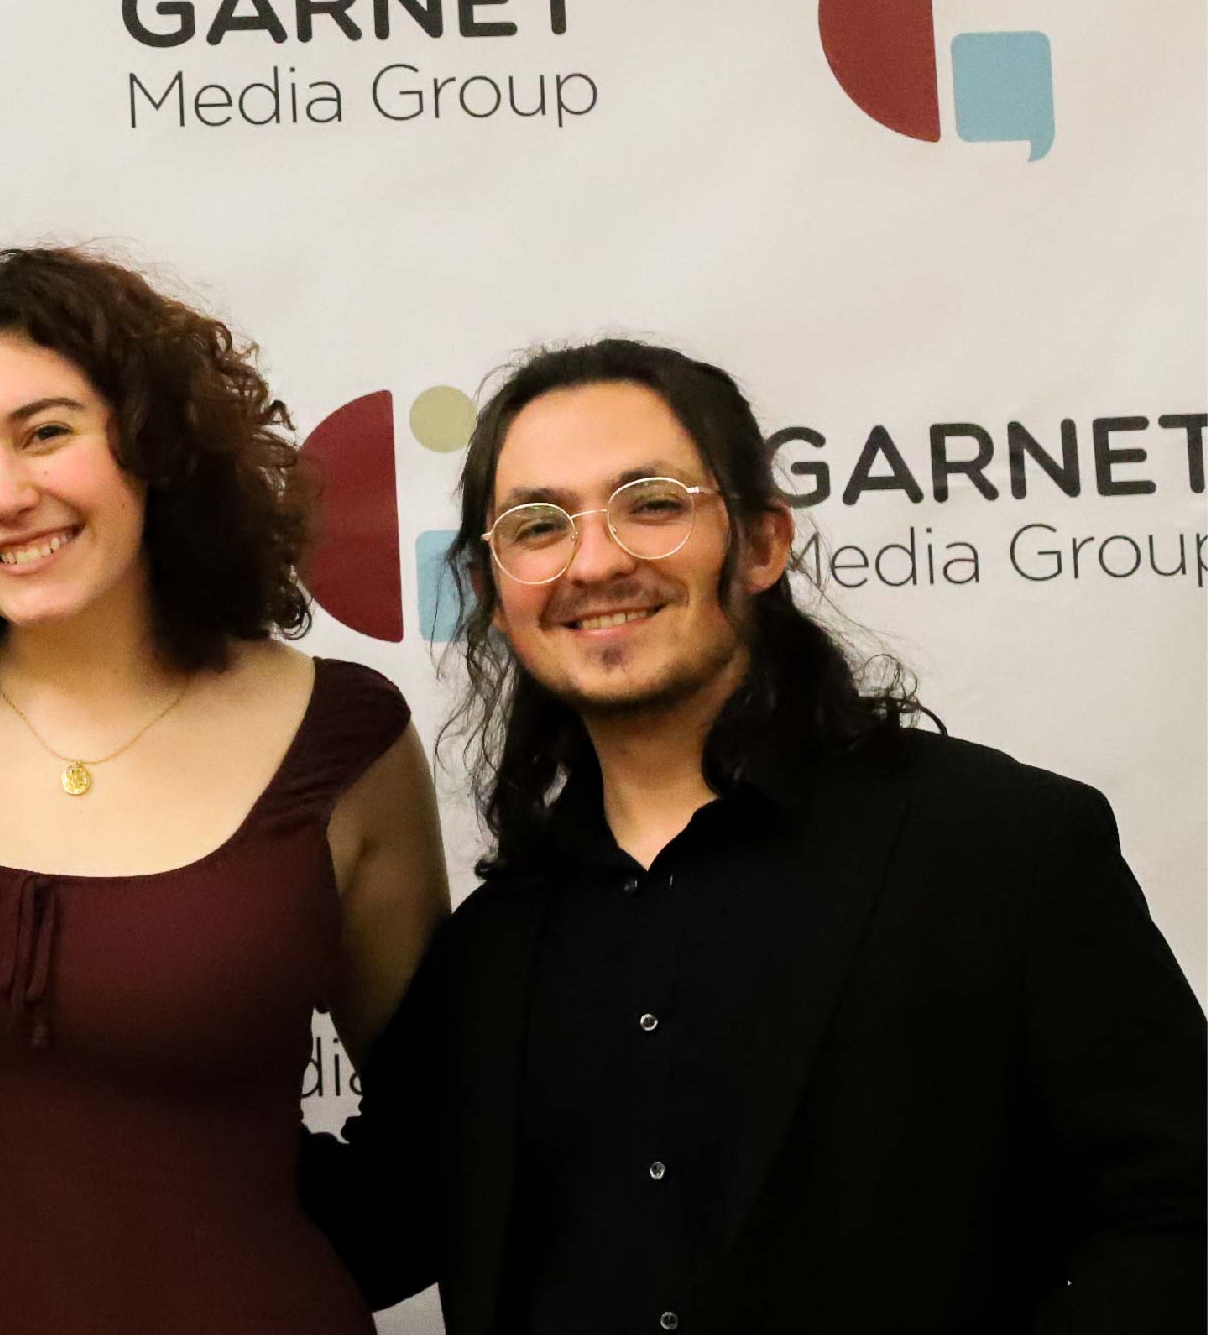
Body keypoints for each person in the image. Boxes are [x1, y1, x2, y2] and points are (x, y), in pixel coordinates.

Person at [307, 339, 1205, 1332]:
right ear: (491, 585)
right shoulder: (489, 954)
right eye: (538, 524)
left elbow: (1174, 1210)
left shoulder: (1005, 848)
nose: (596, 560)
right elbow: (366, 1229)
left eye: (650, 502)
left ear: (764, 544)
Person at [0, 244, 449, 1334]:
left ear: (151, 439)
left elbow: (438, 1142)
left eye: (46, 432)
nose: (8, 494)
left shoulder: (346, 740)